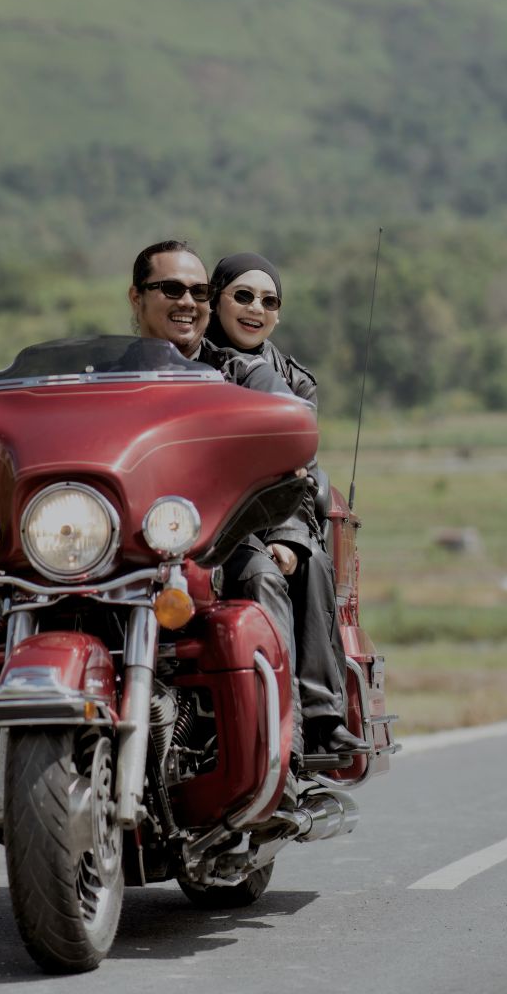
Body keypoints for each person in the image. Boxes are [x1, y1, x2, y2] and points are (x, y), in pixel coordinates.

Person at [128, 239, 305, 761]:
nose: (187, 301)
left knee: (261, 577)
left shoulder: (236, 373)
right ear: (137, 296)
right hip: (124, 538)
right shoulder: (105, 377)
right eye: (171, 288)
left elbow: (289, 431)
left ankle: (281, 748)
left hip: (215, 537)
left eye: (199, 292)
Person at [204, 251, 359, 758]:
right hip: (202, 518)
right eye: (243, 296)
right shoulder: (187, 362)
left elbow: (298, 468)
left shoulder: (294, 381)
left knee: (309, 564)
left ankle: (317, 719)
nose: (256, 309)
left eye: (269, 301)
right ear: (216, 299)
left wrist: (287, 538)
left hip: (271, 515)